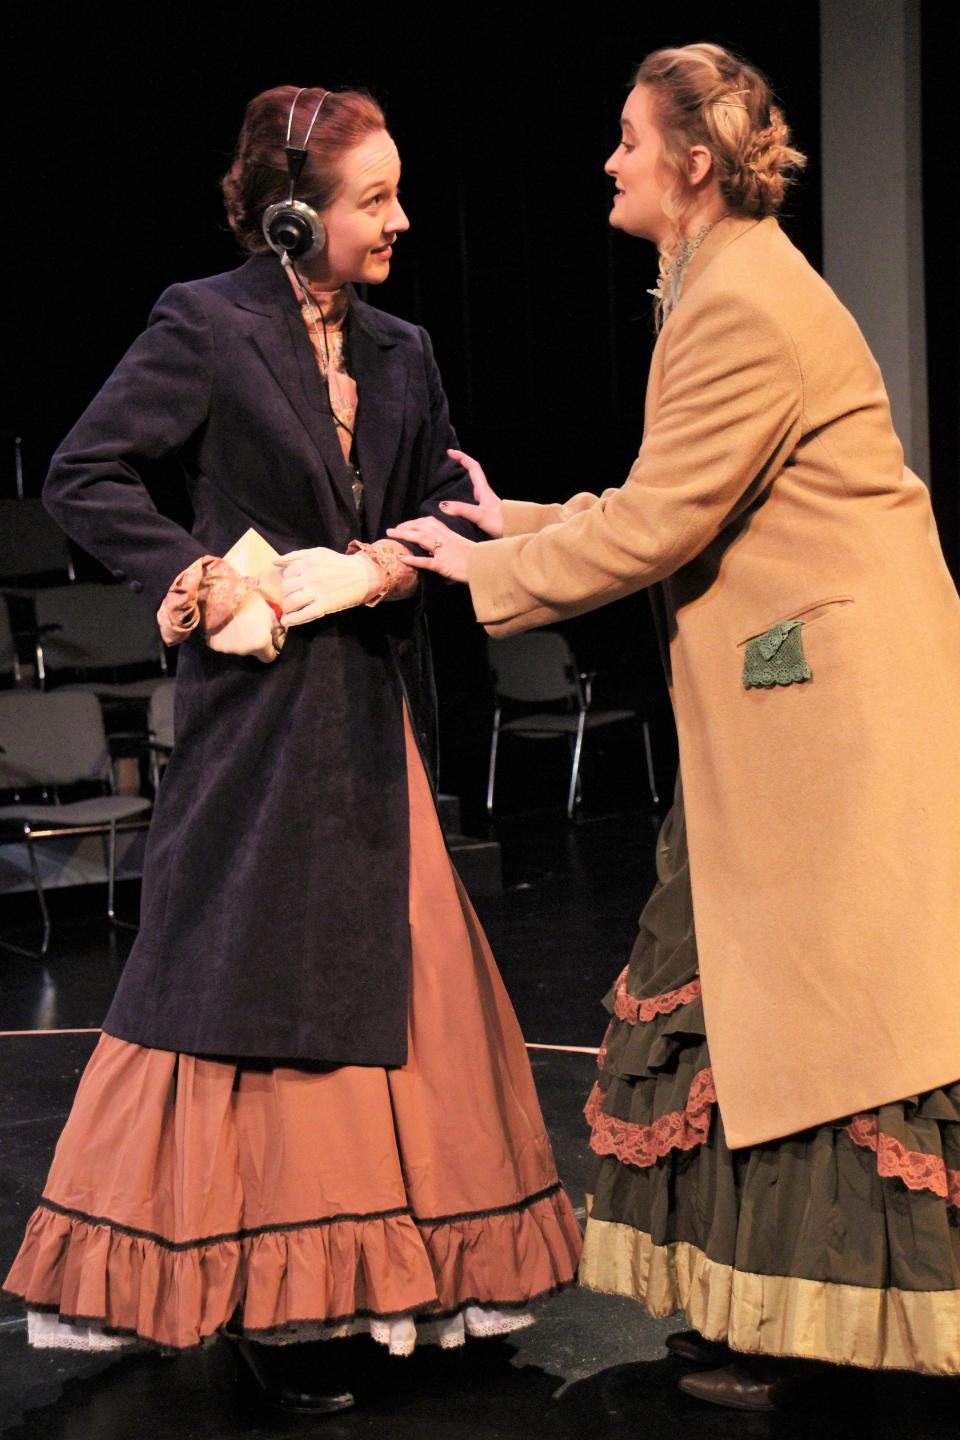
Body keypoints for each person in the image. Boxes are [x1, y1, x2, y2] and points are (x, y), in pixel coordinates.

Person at [387, 42, 960, 1411]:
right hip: (787, 686)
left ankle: (837, 1324)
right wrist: (516, 525)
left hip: (826, 695)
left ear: (692, 160)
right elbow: (676, 498)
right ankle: (756, 1307)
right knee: (724, 983)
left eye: (629, 140)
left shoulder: (741, 299)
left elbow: (661, 526)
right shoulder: (711, 283)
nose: (610, 161)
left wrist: (483, 572)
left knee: (820, 1012)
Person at [3, 85, 581, 1415]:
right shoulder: (202, 326)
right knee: (237, 992)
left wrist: (379, 569)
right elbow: (87, 474)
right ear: (291, 212)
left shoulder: (406, 349)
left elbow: (439, 500)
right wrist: (205, 577)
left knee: (407, 985)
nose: (400, 219)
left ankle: (405, 1283)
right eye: (374, 198)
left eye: (395, 193)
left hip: (367, 719)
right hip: (253, 726)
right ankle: (269, 1293)